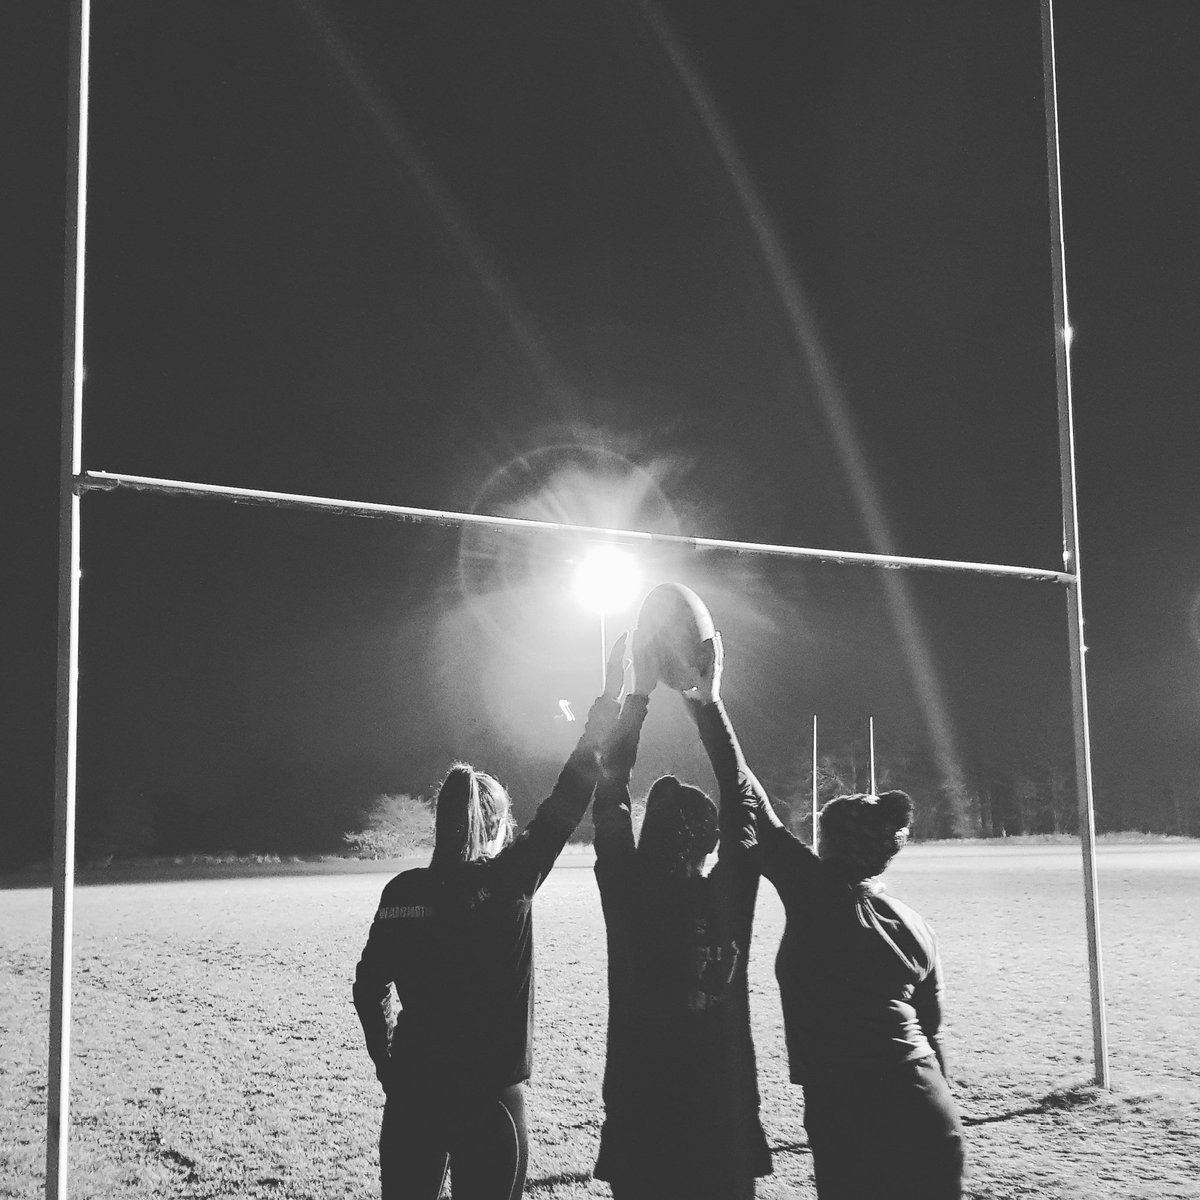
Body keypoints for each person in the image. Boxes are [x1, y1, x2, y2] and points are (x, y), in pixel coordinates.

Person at [352, 637, 625, 1200]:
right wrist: (608, 704)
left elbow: (368, 985)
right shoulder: (507, 881)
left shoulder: (402, 891)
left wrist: (389, 1065)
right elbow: (568, 797)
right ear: (496, 826)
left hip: (414, 1096)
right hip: (490, 1102)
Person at [695, 640, 965, 1200]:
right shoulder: (916, 925)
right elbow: (932, 1034)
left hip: (851, 1104)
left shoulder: (817, 896)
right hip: (929, 1106)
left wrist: (708, 701)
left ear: (826, 843)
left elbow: (745, 791)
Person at [591, 631, 771, 1200]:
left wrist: (635, 696)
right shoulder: (728, 896)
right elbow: (742, 793)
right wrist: (706, 700)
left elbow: (610, 791)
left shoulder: (626, 892)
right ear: (711, 842)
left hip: (641, 1117)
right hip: (722, 1118)